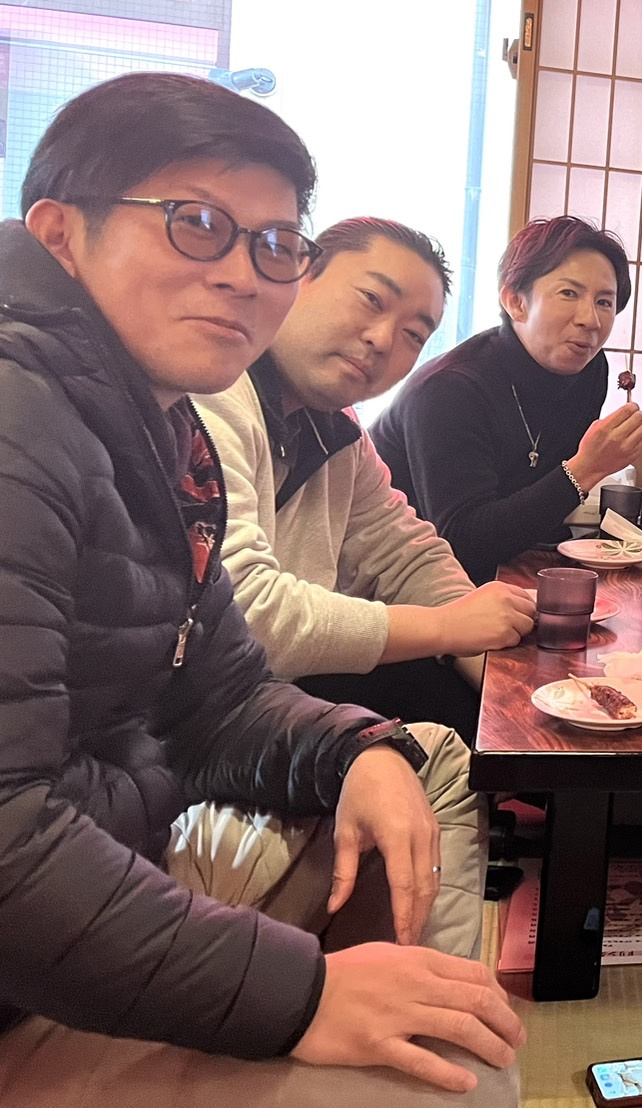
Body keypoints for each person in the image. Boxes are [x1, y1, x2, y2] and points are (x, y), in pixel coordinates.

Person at [0, 73, 520, 1103]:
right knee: (460, 1078)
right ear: (61, 235)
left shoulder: (172, 426)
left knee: (420, 764)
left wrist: (357, 746)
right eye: (197, 225)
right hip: (28, 963)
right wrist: (302, 996)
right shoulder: (34, 420)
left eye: (274, 244)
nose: (242, 274)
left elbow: (220, 687)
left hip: (117, 849)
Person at [194, 217, 535, 742]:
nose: (381, 339)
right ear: (300, 274)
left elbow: (406, 555)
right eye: (371, 299)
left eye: (414, 334)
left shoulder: (338, 429)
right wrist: (449, 628)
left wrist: (510, 686)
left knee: (469, 709)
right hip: (187, 719)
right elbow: (243, 614)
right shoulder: (212, 393)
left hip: (271, 692)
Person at [372, 215, 642, 583]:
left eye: (604, 301)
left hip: (506, 571)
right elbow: (462, 541)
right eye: (569, 293)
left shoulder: (590, 371)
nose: (591, 320)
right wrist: (586, 469)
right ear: (515, 302)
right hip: (395, 581)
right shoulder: (450, 390)